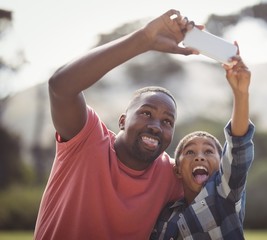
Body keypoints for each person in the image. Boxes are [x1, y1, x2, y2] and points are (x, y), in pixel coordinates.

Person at [34, 9, 199, 240]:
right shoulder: (87, 140)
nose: (155, 126)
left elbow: (223, 191)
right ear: (122, 121)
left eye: (167, 121)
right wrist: (144, 40)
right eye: (146, 113)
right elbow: (60, 87)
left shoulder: (172, 175)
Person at [151, 44, 255, 240]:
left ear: (222, 164)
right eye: (190, 152)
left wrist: (241, 93)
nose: (199, 157)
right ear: (178, 169)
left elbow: (238, 144)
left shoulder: (225, 196)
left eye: (208, 152)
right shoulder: (165, 214)